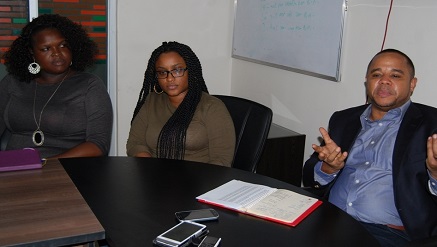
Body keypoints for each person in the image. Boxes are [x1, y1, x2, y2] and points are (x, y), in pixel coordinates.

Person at [302, 49, 437, 246]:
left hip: (387, 232)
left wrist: (435, 174)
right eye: (376, 74)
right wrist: (328, 168)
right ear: (367, 81)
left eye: (395, 75)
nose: (384, 81)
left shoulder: (431, 125)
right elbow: (310, 176)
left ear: (412, 84)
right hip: (328, 218)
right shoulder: (344, 119)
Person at [0, 14, 113, 159]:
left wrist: (45, 164)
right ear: (32, 53)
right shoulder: (12, 82)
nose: (57, 54)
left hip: (66, 169)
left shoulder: (90, 85)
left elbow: (98, 145)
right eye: (46, 49)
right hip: (15, 166)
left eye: (62, 45)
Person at [126, 41, 235, 166]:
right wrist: (152, 169)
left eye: (177, 70)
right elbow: (135, 143)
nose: (170, 78)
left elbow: (222, 160)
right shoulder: (151, 101)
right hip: (155, 178)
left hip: (201, 180)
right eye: (162, 72)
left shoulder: (212, 107)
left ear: (191, 71)